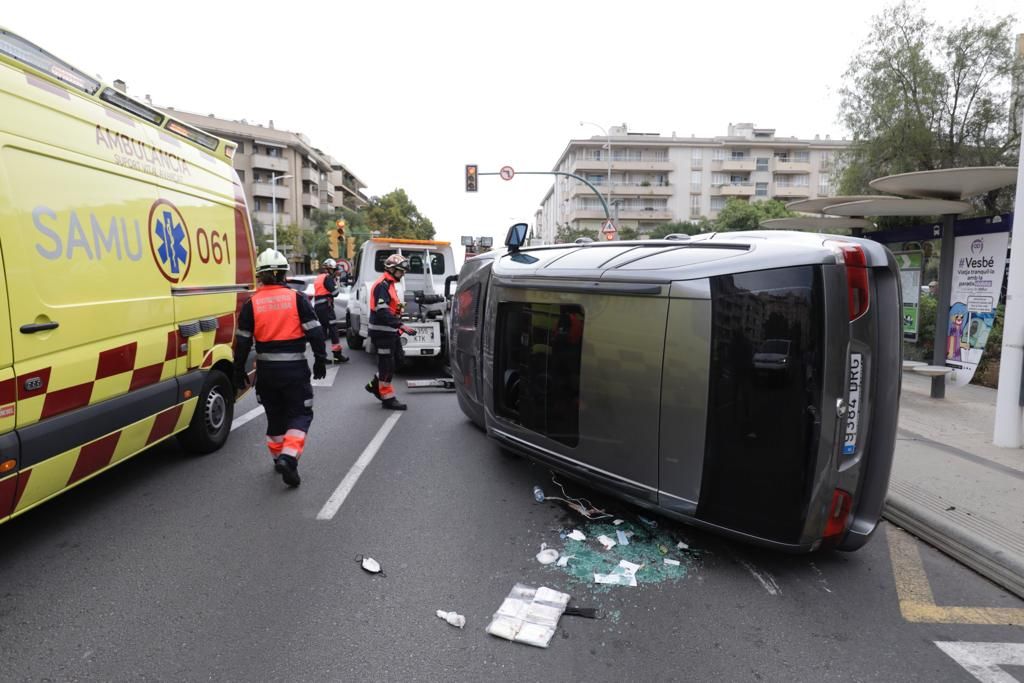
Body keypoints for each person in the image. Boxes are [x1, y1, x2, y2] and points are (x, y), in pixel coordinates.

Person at [234, 249, 327, 487]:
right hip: (294, 370)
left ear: (260, 276)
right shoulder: (296, 298)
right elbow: (315, 331)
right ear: (284, 274)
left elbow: (243, 341)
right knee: (300, 413)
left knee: (275, 417)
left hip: (266, 373)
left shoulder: (251, 303)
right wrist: (319, 358)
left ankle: (278, 459)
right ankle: (288, 457)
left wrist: (237, 370)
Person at [365, 253, 417, 410]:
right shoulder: (383, 285)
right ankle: (387, 397)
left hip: (390, 331)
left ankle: (374, 384)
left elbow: (391, 307)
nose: (403, 274)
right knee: (387, 365)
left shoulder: (390, 284)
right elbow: (382, 310)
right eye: (401, 271)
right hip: (382, 332)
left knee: (398, 361)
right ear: (392, 269)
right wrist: (400, 325)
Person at [313, 258, 349, 364]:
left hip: (319, 308)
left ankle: (321, 357)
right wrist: (336, 282)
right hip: (326, 308)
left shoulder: (318, 277)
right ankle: (337, 355)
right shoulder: (328, 278)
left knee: (323, 333)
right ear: (330, 269)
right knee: (333, 330)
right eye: (334, 270)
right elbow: (335, 293)